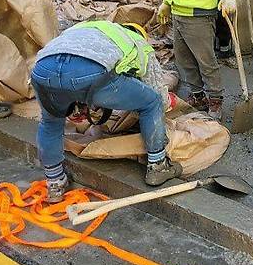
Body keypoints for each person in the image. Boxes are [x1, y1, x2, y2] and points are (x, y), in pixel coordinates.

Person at [31, 21, 181, 202]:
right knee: (152, 102)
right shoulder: (139, 44)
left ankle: (55, 182)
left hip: (43, 69)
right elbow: (156, 92)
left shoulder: (89, 28)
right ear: (140, 35)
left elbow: (67, 65)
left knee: (50, 122)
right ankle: (158, 165)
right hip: (89, 73)